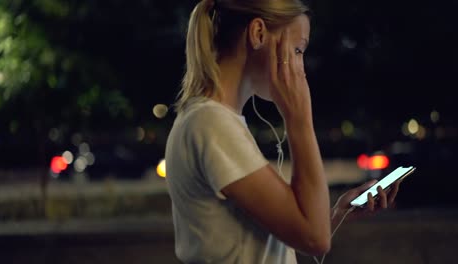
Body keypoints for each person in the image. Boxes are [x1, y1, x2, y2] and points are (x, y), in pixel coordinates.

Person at [165, 0, 401, 263]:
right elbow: (315, 238)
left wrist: (334, 214)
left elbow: (279, 241)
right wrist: (299, 118)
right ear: (258, 34)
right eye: (298, 50)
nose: (302, 66)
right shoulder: (210, 123)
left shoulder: (213, 120)